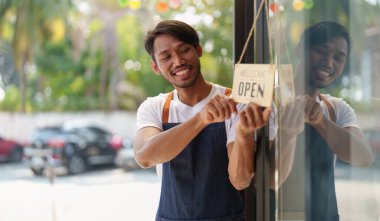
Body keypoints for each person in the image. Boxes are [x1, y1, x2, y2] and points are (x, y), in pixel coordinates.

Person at [133, 20, 272, 221]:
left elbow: (240, 181)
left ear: (198, 50)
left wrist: (243, 134)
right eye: (166, 57)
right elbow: (144, 156)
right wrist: (201, 119)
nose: (178, 61)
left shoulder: (235, 102)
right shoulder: (155, 107)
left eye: (184, 50)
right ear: (155, 66)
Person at [276, 21, 374, 221]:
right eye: (321, 51)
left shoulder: (336, 109)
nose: (329, 62)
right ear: (299, 50)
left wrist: (320, 121)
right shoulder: (271, 101)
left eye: (339, 57)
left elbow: (364, 157)